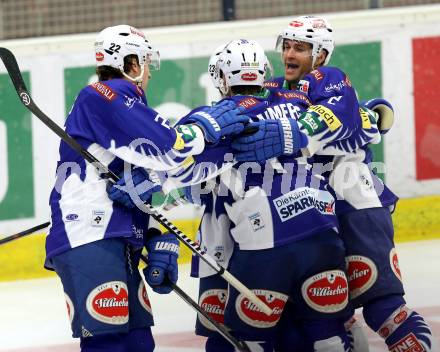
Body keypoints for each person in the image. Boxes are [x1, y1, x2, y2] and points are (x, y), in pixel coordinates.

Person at [234, 15, 434, 351]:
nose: (290, 54)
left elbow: (339, 113)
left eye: (301, 47)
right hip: (315, 216)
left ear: (322, 54)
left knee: (384, 309)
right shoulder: (275, 90)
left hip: (355, 206)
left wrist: (290, 131)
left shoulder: (329, 78)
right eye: (287, 46)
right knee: (328, 316)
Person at [44, 24, 249, 352]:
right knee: (108, 343)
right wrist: (206, 127)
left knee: (138, 342)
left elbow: (146, 179)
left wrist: (157, 237)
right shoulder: (103, 95)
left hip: (116, 236)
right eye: (145, 65)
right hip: (89, 235)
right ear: (131, 64)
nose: (148, 76)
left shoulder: (118, 114)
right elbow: (170, 151)